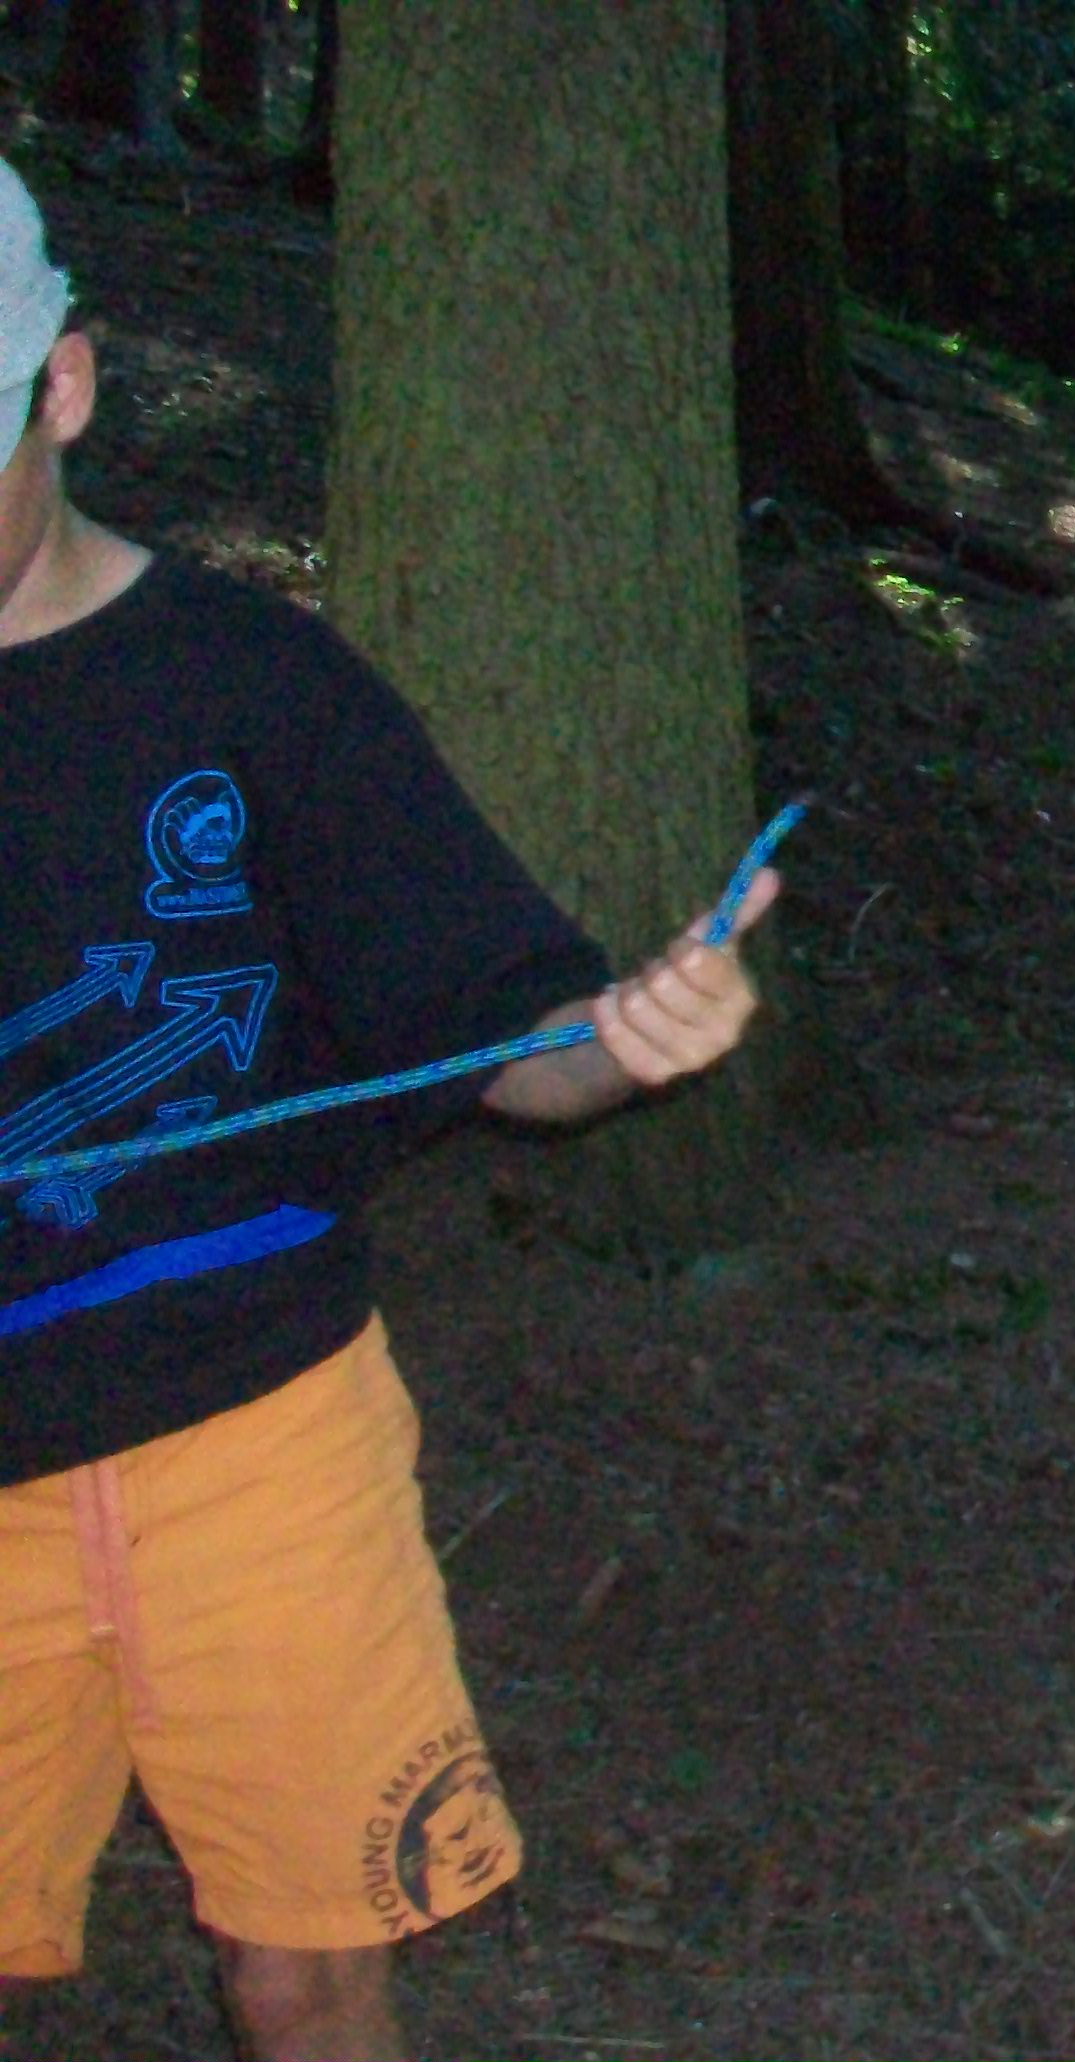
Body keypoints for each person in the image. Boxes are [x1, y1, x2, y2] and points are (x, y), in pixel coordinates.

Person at [0, 155, 777, 2062]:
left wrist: (630, 1039)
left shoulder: (253, 688)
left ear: (64, 387)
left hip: (261, 1435)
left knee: (306, 1966)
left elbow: (504, 1031)